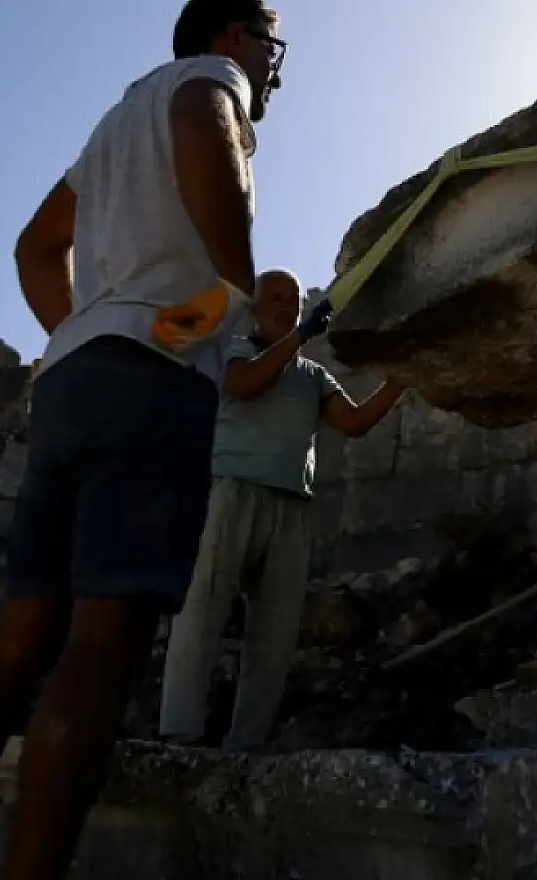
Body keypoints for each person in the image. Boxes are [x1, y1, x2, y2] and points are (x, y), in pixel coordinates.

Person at [0, 0, 285, 880]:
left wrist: (85, 329)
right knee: (101, 647)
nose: (273, 66)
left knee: (13, 647)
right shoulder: (209, 80)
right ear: (237, 35)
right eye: (272, 45)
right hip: (151, 382)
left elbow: (37, 246)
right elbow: (204, 118)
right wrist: (237, 287)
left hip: (75, 377)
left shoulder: (120, 117)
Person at [158, 268, 405, 750]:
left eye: (293, 299)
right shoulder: (236, 350)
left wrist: (403, 379)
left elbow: (353, 422)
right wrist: (299, 337)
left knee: (274, 637)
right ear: (253, 308)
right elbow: (245, 384)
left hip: (292, 504)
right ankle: (178, 734)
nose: (286, 305)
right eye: (275, 298)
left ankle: (246, 745)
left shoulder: (314, 376)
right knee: (201, 614)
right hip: (233, 492)